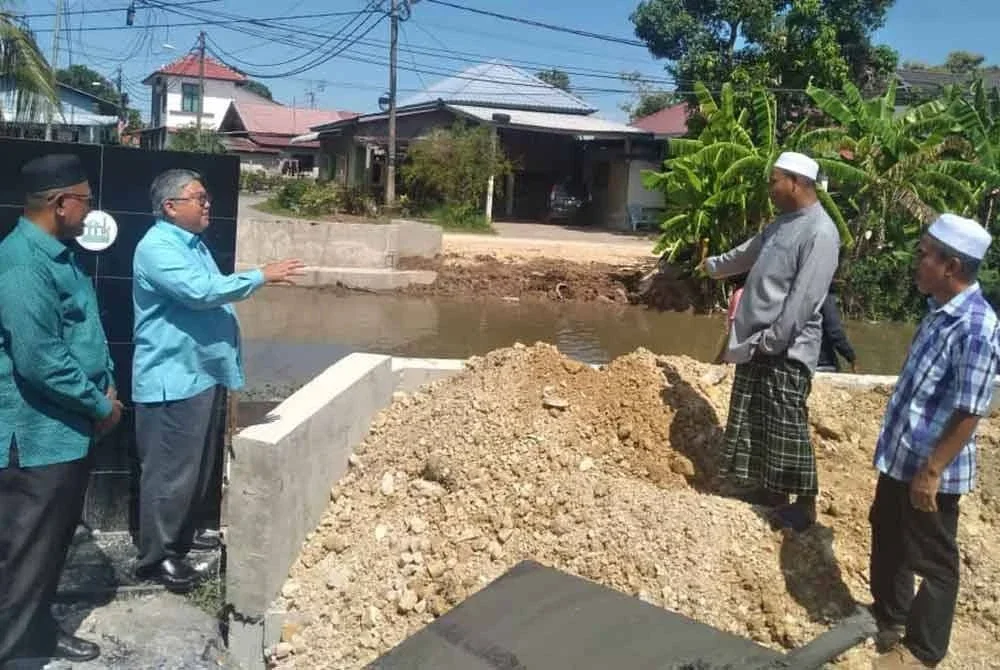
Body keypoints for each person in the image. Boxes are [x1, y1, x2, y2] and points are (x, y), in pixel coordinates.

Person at [132, 169, 305, 592]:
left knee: (192, 469)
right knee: (169, 473)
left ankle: (182, 537)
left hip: (199, 375)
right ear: (171, 207)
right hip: (172, 380)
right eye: (199, 198)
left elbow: (212, 289)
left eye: (207, 197)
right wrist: (262, 275)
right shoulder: (157, 248)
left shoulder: (192, 244)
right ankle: (157, 559)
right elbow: (201, 292)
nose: (207, 204)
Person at [0, 154, 123, 664]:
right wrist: (101, 403)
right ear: (60, 203)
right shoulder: (23, 264)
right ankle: (12, 650)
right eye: (86, 201)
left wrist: (106, 386)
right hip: (38, 437)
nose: (89, 211)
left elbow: (81, 334)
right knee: (23, 555)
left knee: (47, 549)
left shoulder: (55, 252)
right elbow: (39, 359)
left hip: (68, 430)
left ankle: (39, 632)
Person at [869, 214, 999, 670]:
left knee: (934, 559)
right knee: (888, 533)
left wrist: (932, 470)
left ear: (951, 266)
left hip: (932, 469)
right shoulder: (938, 314)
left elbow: (970, 410)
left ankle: (923, 651)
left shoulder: (977, 329)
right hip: (901, 456)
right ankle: (890, 616)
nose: (916, 262)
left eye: (924, 254)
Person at [700, 152, 840, 532]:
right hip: (758, 341)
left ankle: (805, 504)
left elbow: (805, 299)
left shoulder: (820, 232)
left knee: (787, 424)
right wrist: (712, 266)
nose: (770, 188)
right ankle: (770, 491)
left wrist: (774, 341)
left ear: (796, 182)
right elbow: (746, 254)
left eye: (774, 180)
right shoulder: (781, 225)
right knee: (757, 420)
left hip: (785, 346)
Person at [816, 291, 858, 373]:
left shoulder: (794, 290)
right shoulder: (824, 293)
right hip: (822, 363)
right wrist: (852, 358)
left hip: (796, 359)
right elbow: (834, 332)